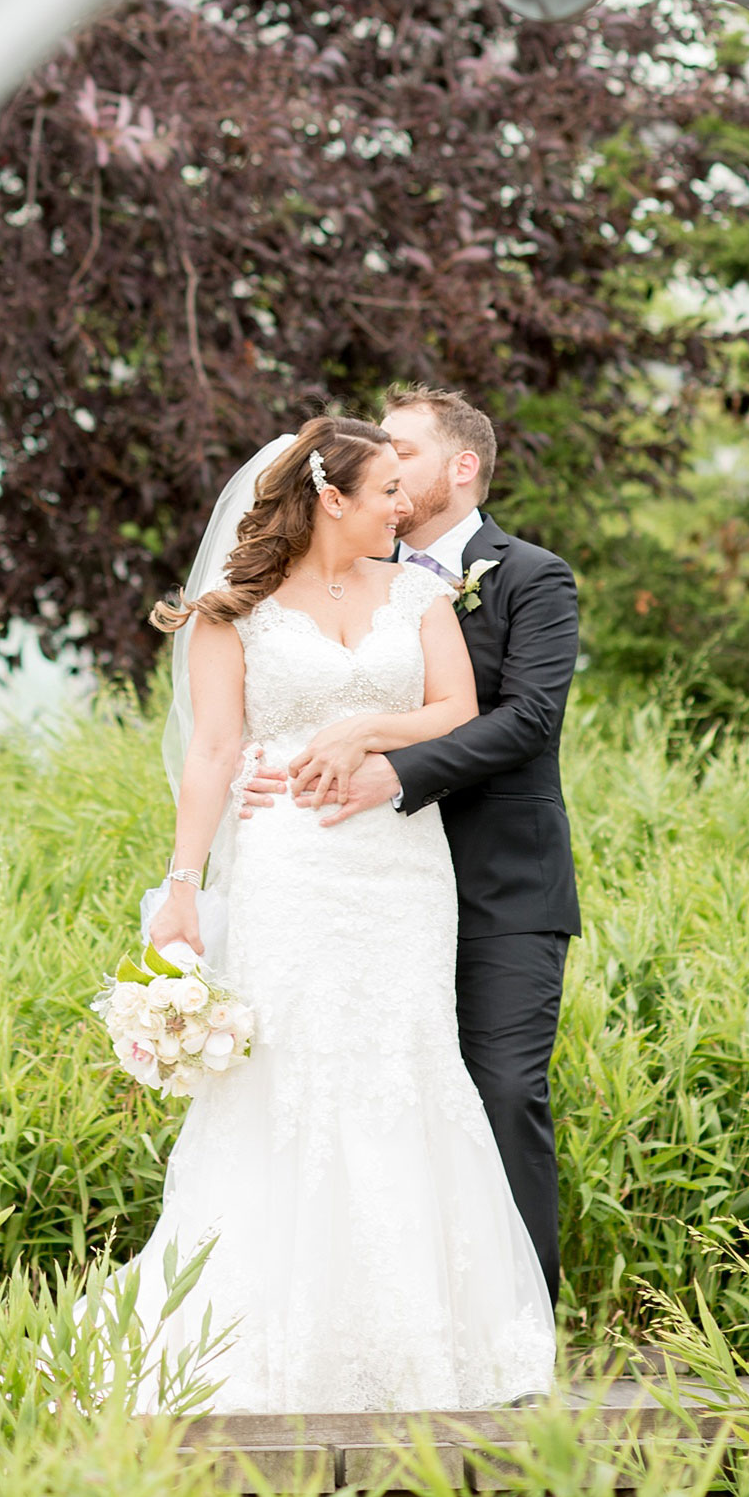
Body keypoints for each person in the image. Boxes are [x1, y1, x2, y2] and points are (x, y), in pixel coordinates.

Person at [126, 416, 554, 1414]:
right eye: (383, 494)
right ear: (329, 499)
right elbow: (212, 750)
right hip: (288, 862)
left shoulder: (417, 592)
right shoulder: (231, 611)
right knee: (294, 1069)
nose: (403, 508)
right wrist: (182, 882)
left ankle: (418, 1336)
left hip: (400, 864)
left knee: (403, 1061)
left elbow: (454, 706)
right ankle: (265, 1332)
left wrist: (368, 724)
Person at [248, 388, 579, 1310]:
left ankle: (519, 1329)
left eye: (403, 451)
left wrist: (392, 768)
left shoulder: (532, 576)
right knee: (370, 1090)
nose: (386, 469)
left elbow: (530, 718)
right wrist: (261, 774)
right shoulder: (336, 571)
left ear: (460, 466)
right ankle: (375, 1313)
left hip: (503, 881)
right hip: (363, 880)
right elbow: (267, 695)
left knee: (500, 1091)